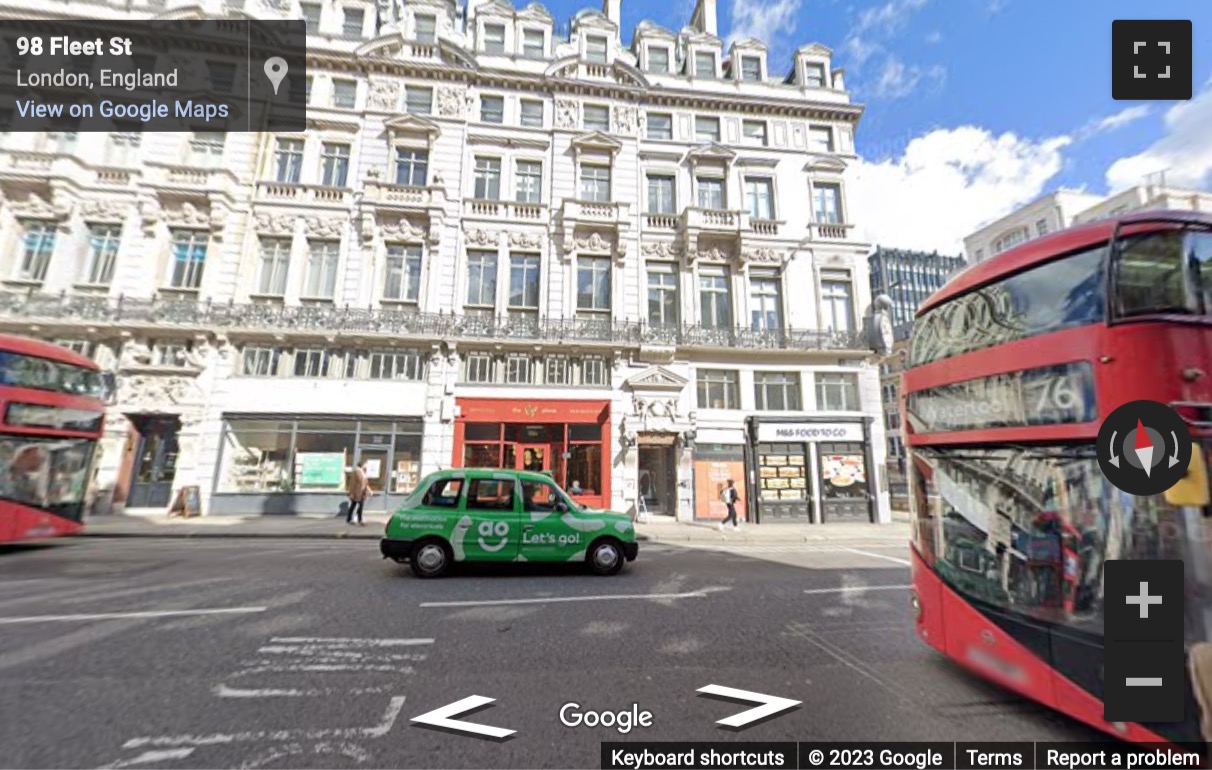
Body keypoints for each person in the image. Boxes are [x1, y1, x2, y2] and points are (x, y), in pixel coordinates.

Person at [347, 460, 370, 526]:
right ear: (362, 465)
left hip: (360, 492)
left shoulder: (362, 472)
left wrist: (368, 490)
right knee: (358, 506)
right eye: (365, 464)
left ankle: (351, 519)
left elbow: (364, 483)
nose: (366, 466)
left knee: (354, 505)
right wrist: (351, 493)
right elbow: (358, 482)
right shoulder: (357, 471)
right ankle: (359, 520)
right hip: (357, 492)